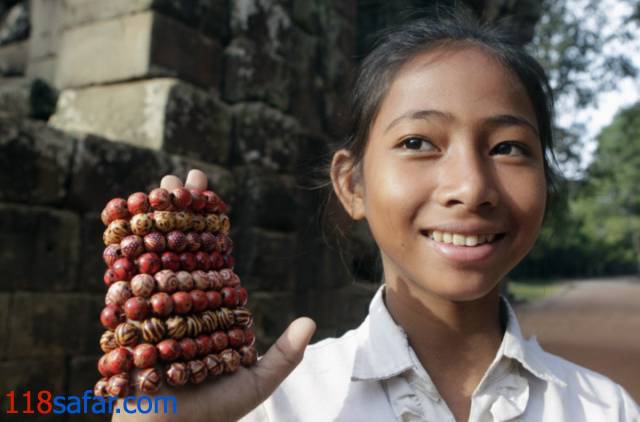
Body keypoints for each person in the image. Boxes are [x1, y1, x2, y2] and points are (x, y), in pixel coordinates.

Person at [112, 11, 640, 422]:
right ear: (352, 184)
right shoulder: (275, 405)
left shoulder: (605, 409)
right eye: (417, 142)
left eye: (508, 147)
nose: (472, 187)